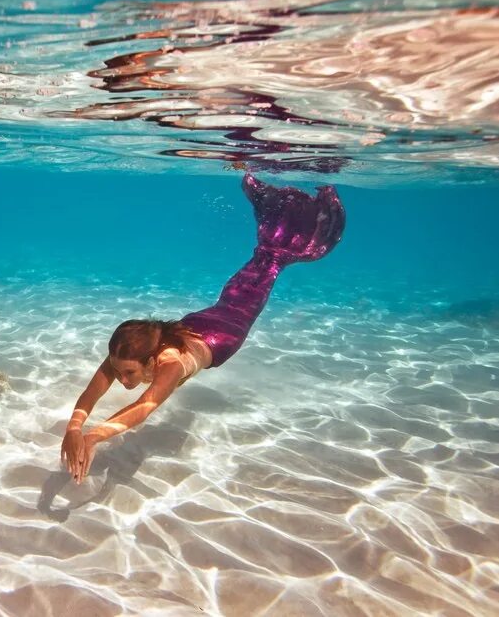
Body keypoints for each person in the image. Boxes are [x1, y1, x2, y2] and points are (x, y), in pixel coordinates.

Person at [61, 172, 345, 483]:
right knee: (237, 288)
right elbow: (93, 390)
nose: (123, 379)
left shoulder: (170, 365)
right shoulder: (127, 351)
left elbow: (144, 406)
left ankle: (294, 233)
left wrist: (92, 437)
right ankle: (278, 228)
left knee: (260, 278)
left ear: (151, 358)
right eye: (121, 372)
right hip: (199, 322)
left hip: (226, 333)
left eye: (129, 372)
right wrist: (74, 427)